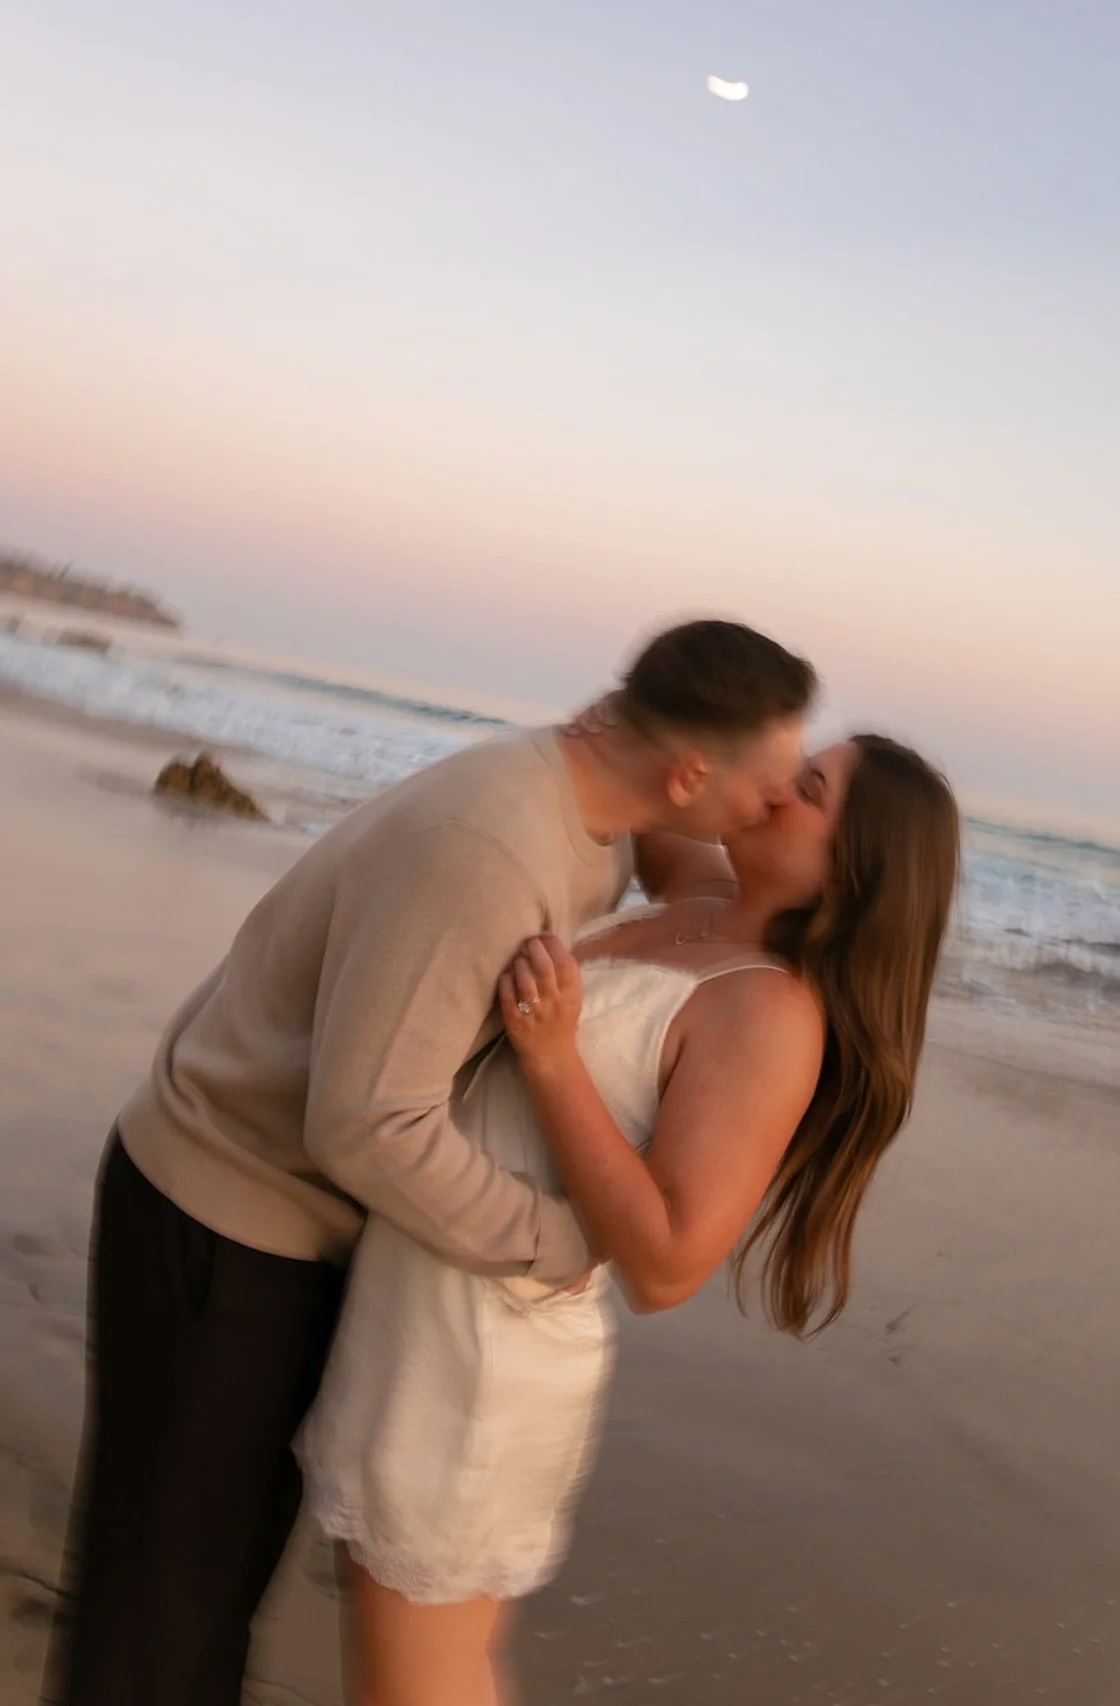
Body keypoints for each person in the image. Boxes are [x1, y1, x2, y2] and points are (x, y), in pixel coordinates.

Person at [45, 619, 817, 1706]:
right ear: (688, 771)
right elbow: (365, 1126)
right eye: (778, 782)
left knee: (208, 1592)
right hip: (223, 1213)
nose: (772, 805)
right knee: (164, 1615)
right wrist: (556, 1243)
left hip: (293, 1230)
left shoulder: (607, 809)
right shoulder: (490, 848)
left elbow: (702, 863)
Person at [298, 733, 961, 1705]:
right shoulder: (699, 900)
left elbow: (665, 1267)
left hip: (487, 1356)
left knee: (413, 1681)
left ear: (848, 870)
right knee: (421, 1664)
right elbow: (653, 769)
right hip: (420, 1305)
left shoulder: (770, 1017)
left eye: (806, 789)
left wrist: (556, 1060)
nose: (774, 788)